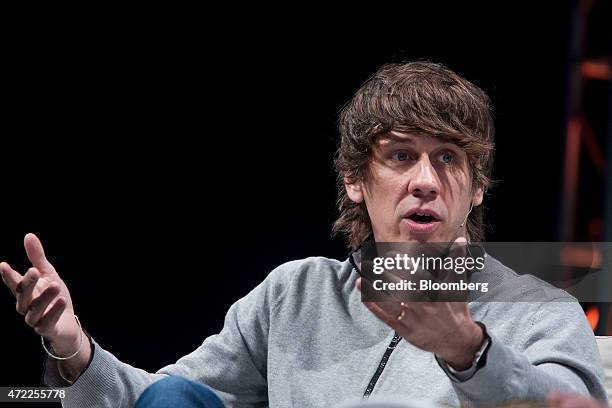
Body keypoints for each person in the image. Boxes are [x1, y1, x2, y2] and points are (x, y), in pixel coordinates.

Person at [1, 62, 607, 408]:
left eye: (449, 159)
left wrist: (470, 352)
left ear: (477, 188)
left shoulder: (536, 306)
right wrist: (72, 347)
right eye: (400, 157)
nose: (426, 181)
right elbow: (162, 400)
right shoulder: (296, 294)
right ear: (354, 181)